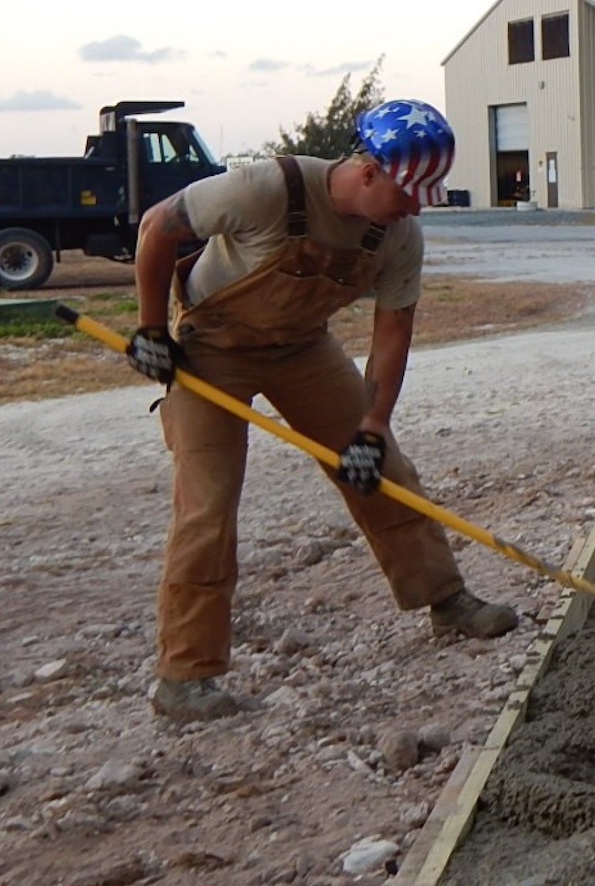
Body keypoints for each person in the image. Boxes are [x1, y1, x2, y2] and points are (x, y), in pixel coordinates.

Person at [126, 100, 518, 724]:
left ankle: (446, 600)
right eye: (409, 192)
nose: (416, 206)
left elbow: (393, 332)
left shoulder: (397, 235)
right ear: (368, 172)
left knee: (383, 469)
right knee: (207, 506)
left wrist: (372, 426)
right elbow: (157, 228)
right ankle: (184, 677)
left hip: (302, 350)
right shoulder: (264, 188)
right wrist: (150, 329)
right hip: (211, 350)